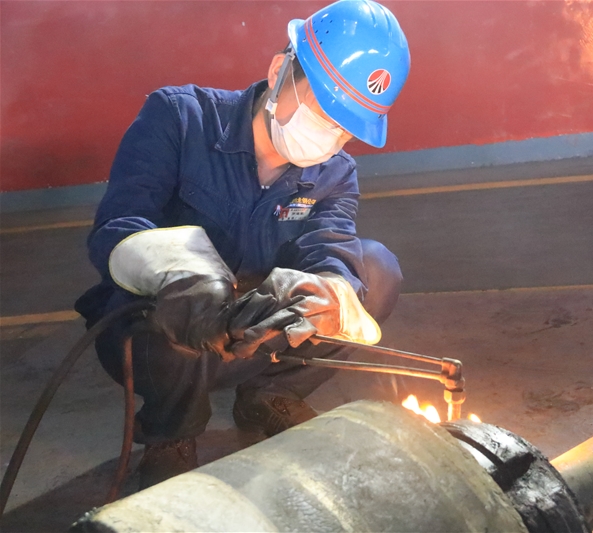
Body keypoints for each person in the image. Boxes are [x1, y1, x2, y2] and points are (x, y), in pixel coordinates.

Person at [74, 0, 410, 489]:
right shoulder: (179, 118)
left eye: (347, 127)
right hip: (166, 334)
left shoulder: (335, 173)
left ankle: (268, 393)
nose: (330, 136)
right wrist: (180, 277)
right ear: (279, 72)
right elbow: (119, 224)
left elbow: (331, 246)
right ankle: (172, 431)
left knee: (373, 270)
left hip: (258, 333)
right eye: (324, 112)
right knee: (156, 314)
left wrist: (330, 293)